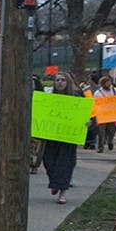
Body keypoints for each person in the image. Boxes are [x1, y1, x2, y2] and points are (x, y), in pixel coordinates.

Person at [42, 71, 80, 205]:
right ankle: (55, 182)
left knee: (65, 164)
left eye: (63, 80)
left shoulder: (76, 99)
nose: (60, 82)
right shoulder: (48, 99)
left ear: (67, 82)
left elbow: (85, 116)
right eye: (57, 80)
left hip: (68, 138)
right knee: (48, 161)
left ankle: (62, 193)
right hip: (51, 137)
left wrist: (86, 123)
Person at [92, 75, 116, 153]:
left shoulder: (114, 91)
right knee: (101, 131)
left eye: (109, 82)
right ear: (102, 84)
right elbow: (94, 104)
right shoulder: (98, 93)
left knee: (112, 130)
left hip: (112, 114)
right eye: (106, 82)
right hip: (101, 114)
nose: (108, 84)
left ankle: (110, 141)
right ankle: (100, 147)